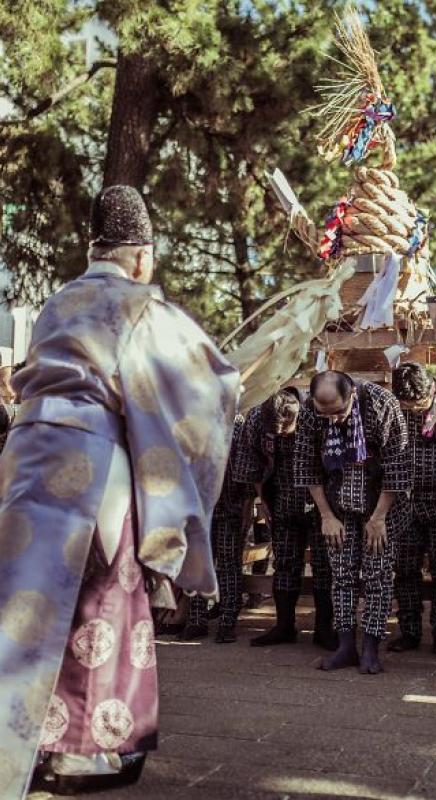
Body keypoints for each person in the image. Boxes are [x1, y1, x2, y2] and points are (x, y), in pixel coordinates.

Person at [0, 185, 238, 799]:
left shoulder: (58, 301)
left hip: (25, 458)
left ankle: (19, 737)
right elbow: (203, 387)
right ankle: (85, 748)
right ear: (141, 256)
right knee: (102, 594)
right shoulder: (139, 306)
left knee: (23, 606)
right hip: (91, 464)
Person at [294, 371, 411, 675]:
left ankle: (371, 647)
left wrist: (379, 518)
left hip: (380, 508)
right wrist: (326, 516)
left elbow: (398, 468)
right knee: (342, 576)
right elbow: (307, 465)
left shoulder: (383, 404)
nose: (331, 420)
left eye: (338, 412)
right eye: (324, 413)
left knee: (378, 575)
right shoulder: (310, 410)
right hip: (338, 507)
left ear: (352, 397)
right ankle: (345, 645)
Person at [234, 388, 336, 650]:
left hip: (320, 500)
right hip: (280, 498)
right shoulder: (256, 418)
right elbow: (251, 462)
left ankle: (325, 628)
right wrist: (262, 500)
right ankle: (284, 626)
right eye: (276, 431)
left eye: (286, 428)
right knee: (285, 562)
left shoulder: (318, 411)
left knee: (325, 564)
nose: (281, 434)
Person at [389, 362, 436, 655]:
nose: (413, 409)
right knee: (404, 569)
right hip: (404, 503)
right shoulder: (395, 408)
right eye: (407, 404)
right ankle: (409, 631)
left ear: (431, 388)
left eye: (418, 403)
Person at [180, 415, 253, 643]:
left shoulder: (237, 422)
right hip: (198, 507)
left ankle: (228, 620)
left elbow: (245, 466)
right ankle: (196, 620)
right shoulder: (192, 419)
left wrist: (247, 504)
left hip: (229, 505)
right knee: (196, 563)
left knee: (229, 565)